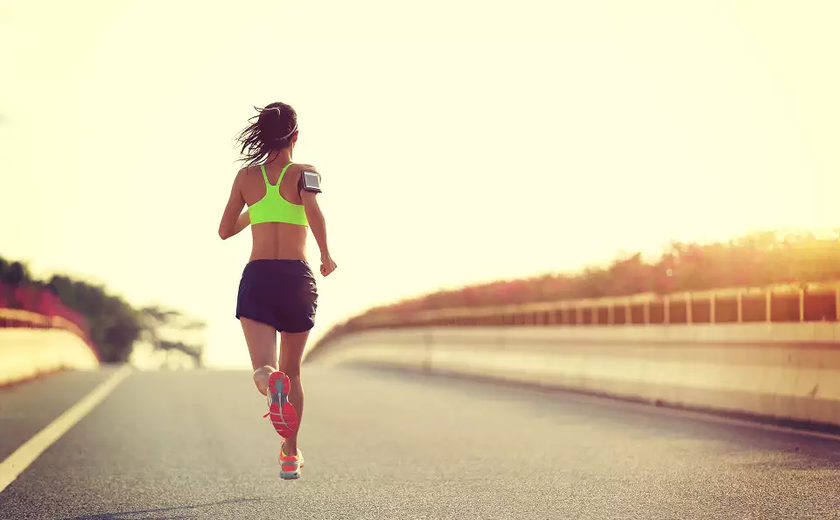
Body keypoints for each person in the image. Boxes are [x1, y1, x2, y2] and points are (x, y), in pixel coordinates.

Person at [218, 102, 337, 480]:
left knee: (265, 367)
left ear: (263, 137)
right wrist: (326, 254)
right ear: (295, 137)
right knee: (294, 372)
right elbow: (314, 212)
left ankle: (267, 382)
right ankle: (290, 454)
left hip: (258, 277)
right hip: (296, 279)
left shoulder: (245, 178)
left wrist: (258, 207)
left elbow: (224, 230)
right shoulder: (306, 172)